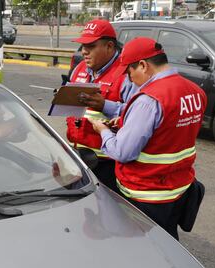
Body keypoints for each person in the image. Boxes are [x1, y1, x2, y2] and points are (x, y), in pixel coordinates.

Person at [88, 37, 207, 240]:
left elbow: (123, 152)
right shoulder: (194, 91)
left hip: (147, 194)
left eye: (129, 72)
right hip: (179, 189)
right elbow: (168, 131)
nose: (129, 78)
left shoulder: (149, 100)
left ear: (143, 65)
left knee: (145, 249)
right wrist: (127, 123)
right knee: (168, 243)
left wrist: (102, 131)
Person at [62, 19, 137, 193]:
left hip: (109, 163)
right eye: (82, 46)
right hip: (79, 156)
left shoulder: (127, 75)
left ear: (110, 47)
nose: (84, 51)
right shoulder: (80, 68)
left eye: (91, 46)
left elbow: (138, 114)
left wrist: (105, 105)